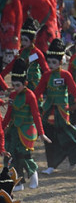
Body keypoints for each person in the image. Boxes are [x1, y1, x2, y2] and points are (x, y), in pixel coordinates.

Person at [36, 38, 76, 173]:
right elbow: (37, 92)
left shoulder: (66, 75)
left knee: (66, 135)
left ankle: (75, 157)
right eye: (49, 62)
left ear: (61, 62)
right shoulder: (46, 76)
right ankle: (51, 165)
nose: (50, 65)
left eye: (54, 62)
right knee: (50, 137)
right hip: (49, 109)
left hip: (61, 111)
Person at [3, 60, 48, 189]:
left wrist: (41, 133)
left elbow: (36, 115)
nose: (15, 88)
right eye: (13, 85)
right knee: (11, 156)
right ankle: (18, 182)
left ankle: (33, 174)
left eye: (18, 85)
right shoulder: (12, 95)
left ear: (25, 84)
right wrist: (2, 128)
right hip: (14, 130)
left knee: (24, 155)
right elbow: (9, 114)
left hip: (26, 130)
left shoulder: (30, 96)